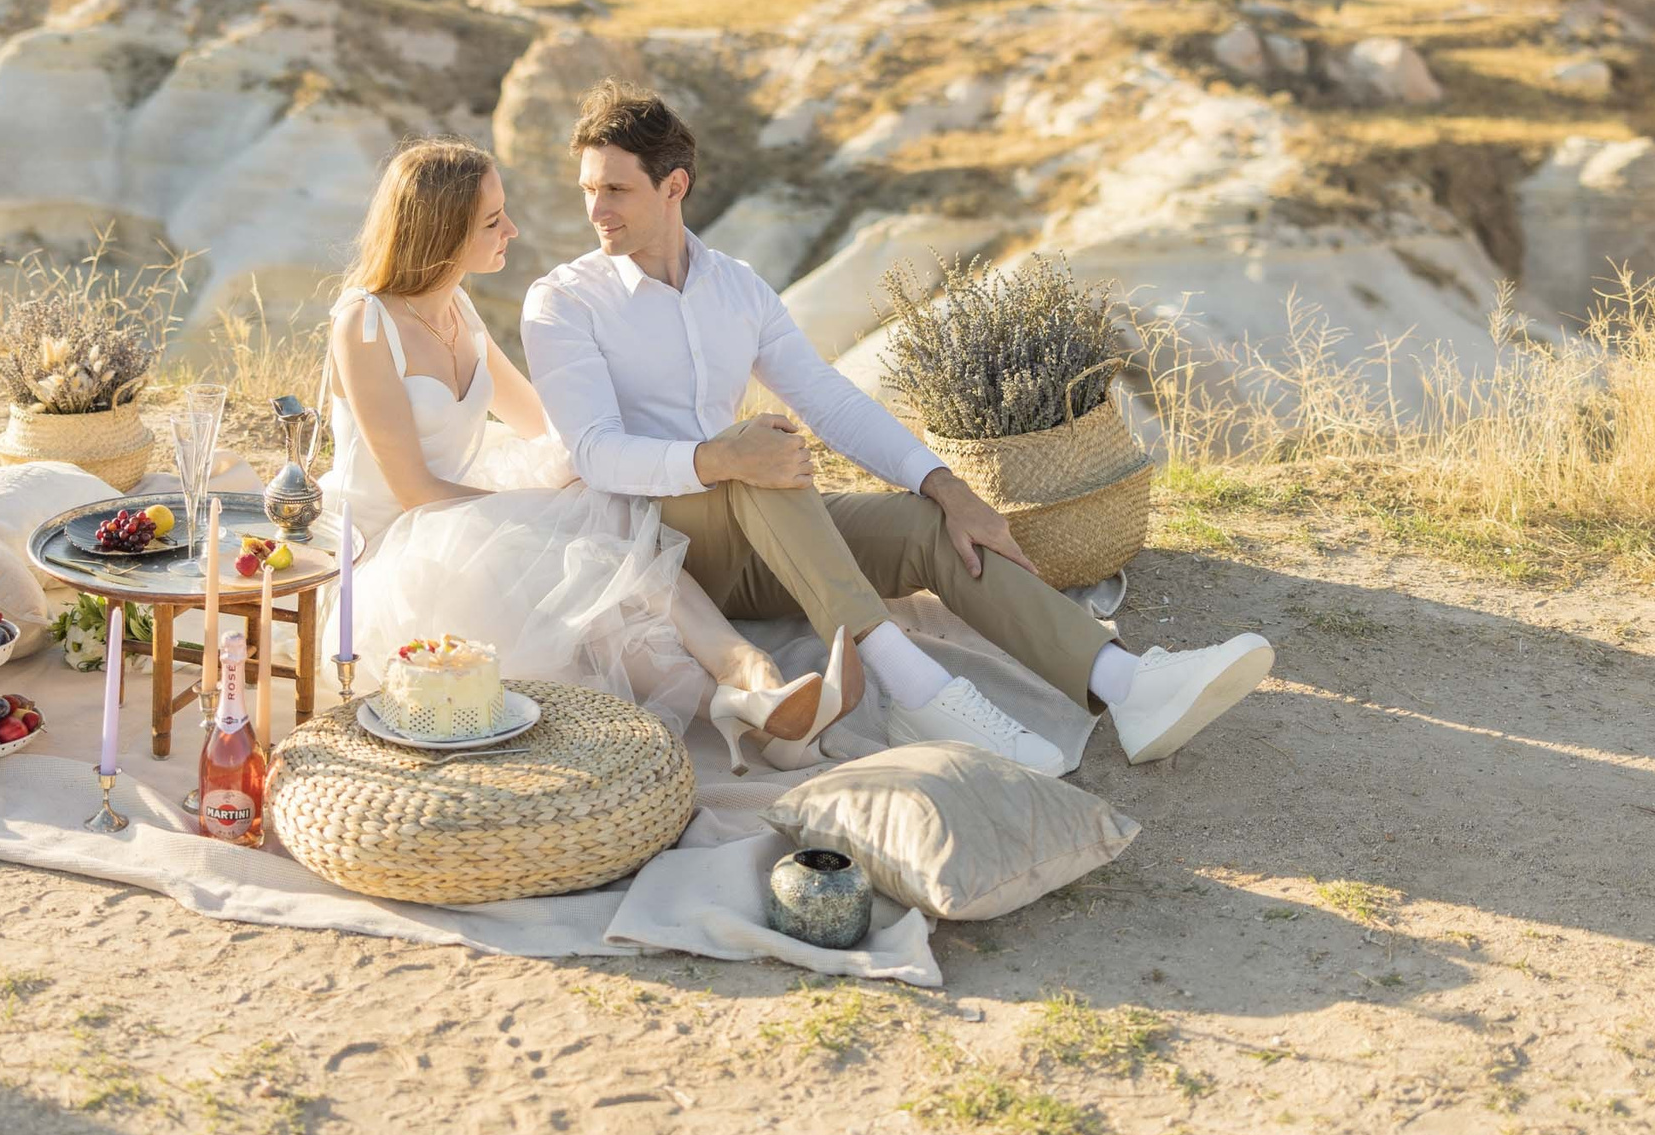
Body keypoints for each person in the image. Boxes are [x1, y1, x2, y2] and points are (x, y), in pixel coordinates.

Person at [520, 82, 1275, 774]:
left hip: (764, 540)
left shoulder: (738, 288)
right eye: (589, 190)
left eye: (614, 189)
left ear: (673, 185)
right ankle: (921, 692)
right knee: (766, 458)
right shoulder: (563, 303)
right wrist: (724, 457)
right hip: (656, 556)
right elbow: (596, 452)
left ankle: (1124, 683)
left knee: (925, 526)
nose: (596, 211)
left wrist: (948, 489)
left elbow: (831, 399)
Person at [319, 138, 865, 770]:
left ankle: (753, 678)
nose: (512, 230)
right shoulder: (364, 323)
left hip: (461, 510)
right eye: (493, 221)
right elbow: (413, 490)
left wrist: (611, 454)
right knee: (575, 556)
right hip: (394, 541)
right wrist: (547, 509)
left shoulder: (457, 308)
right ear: (441, 232)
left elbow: (538, 422)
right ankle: (744, 702)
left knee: (600, 509)